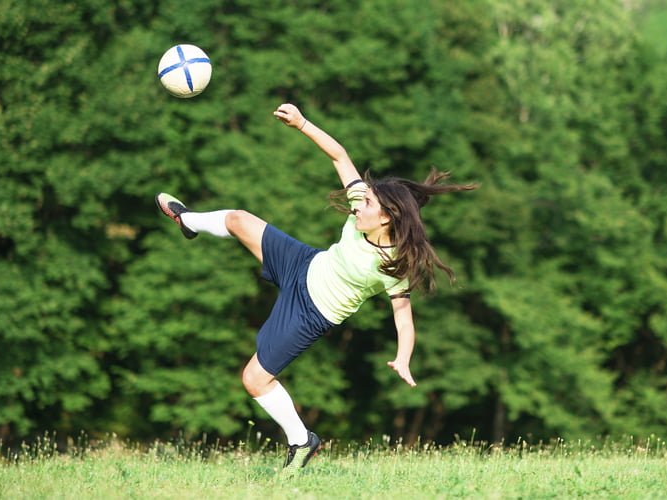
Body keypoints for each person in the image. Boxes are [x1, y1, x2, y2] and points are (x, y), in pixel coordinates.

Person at [155, 103, 478, 474]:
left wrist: (404, 356)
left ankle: (301, 440)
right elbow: (339, 155)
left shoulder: (394, 263)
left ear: (386, 216)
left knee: (254, 379)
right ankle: (188, 221)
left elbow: (403, 317)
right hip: (303, 263)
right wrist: (302, 123)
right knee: (238, 219)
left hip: (312, 312)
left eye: (368, 203)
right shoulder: (363, 205)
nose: (358, 205)